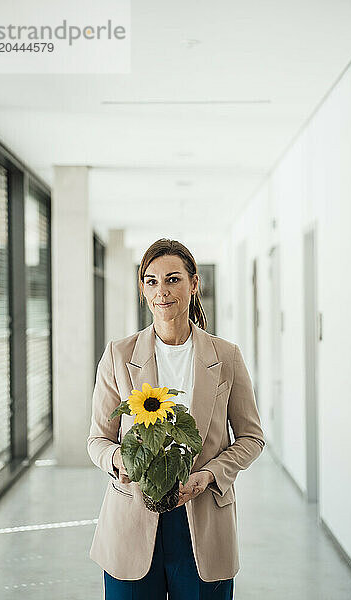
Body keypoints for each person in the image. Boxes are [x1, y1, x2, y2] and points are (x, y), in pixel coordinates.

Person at [87, 238, 265, 600]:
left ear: (194, 284)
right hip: (133, 517)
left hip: (203, 518)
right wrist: (121, 460)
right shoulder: (118, 355)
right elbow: (98, 440)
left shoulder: (226, 356)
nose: (162, 291)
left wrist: (208, 475)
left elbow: (251, 437)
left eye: (172, 279)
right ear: (142, 288)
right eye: (151, 281)